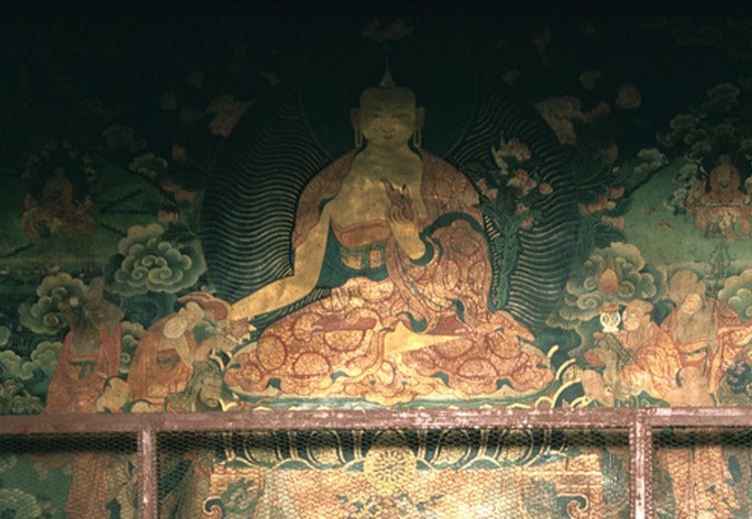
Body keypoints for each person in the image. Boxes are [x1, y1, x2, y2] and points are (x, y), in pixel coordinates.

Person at [221, 75, 551, 404]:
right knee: (274, 343)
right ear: (356, 119)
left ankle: (400, 345)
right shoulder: (327, 189)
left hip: (428, 312)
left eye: (399, 116)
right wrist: (228, 313)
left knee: (488, 348)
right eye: (377, 116)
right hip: (352, 310)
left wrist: (412, 244)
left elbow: (468, 260)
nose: (388, 125)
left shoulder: (447, 184)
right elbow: (301, 282)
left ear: (419, 119)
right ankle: (394, 346)